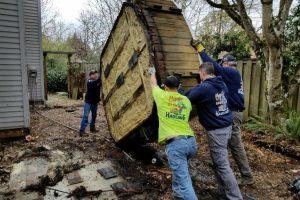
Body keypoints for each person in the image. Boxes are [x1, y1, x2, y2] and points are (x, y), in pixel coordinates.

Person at [191, 40, 254, 186]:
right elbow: (217, 70)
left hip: (234, 113)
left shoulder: (231, 72)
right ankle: (221, 164)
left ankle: (246, 176)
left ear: (226, 63)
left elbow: (213, 67)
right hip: (232, 112)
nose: (221, 66)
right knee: (227, 142)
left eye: (222, 63)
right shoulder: (231, 74)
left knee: (235, 145)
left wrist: (201, 50)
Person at [180, 62, 242, 200]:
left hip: (217, 131)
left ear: (202, 73)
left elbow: (185, 98)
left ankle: (235, 197)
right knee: (218, 162)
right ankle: (222, 192)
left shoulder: (205, 88)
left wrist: (179, 90)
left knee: (223, 166)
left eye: (199, 75)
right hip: (226, 127)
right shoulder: (222, 84)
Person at [149, 66, 198, 200]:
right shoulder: (186, 101)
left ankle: (183, 193)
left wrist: (152, 71)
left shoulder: (161, 97)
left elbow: (153, 83)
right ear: (179, 86)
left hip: (176, 145)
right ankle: (177, 194)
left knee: (185, 183)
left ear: (165, 86)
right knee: (180, 169)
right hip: (191, 143)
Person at [79, 70, 101, 137]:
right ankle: (82, 131)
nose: (95, 75)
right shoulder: (90, 82)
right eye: (94, 74)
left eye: (96, 74)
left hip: (94, 102)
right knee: (85, 115)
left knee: (94, 115)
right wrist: (101, 76)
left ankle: (92, 128)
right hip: (88, 102)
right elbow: (96, 82)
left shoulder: (97, 82)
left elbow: (99, 84)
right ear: (90, 75)